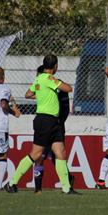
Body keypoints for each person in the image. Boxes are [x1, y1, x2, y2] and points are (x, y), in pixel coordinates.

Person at [4, 54, 79, 195]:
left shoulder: (39, 79)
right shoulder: (50, 79)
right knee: (36, 154)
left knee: (60, 152)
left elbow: (28, 94)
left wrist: (41, 94)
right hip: (45, 120)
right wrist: (56, 83)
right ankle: (12, 182)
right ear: (55, 66)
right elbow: (68, 88)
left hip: (53, 121)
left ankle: (67, 188)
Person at [32, 65, 75, 194]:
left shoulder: (58, 87)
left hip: (56, 126)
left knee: (57, 156)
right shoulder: (41, 87)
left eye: (40, 76)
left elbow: (65, 109)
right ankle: (38, 188)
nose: (38, 78)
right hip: (44, 125)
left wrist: (59, 123)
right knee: (39, 156)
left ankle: (67, 183)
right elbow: (30, 94)